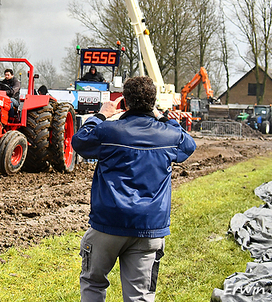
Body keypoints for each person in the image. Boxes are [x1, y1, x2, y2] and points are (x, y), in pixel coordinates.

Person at [71, 76, 196, 302]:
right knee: (140, 295)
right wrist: (164, 116)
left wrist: (101, 115)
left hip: (108, 222)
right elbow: (188, 145)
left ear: (124, 103)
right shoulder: (168, 135)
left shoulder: (109, 131)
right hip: (149, 226)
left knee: (93, 283)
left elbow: (80, 141)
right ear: (153, 101)